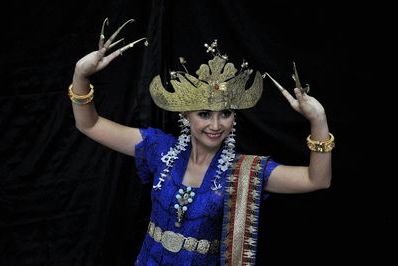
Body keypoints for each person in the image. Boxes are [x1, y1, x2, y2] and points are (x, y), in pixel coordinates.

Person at [69, 19, 334, 266]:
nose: (216, 125)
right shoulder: (158, 148)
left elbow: (317, 179)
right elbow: (89, 124)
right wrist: (81, 76)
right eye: (205, 114)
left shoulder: (243, 171)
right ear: (185, 115)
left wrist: (318, 120)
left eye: (226, 114)